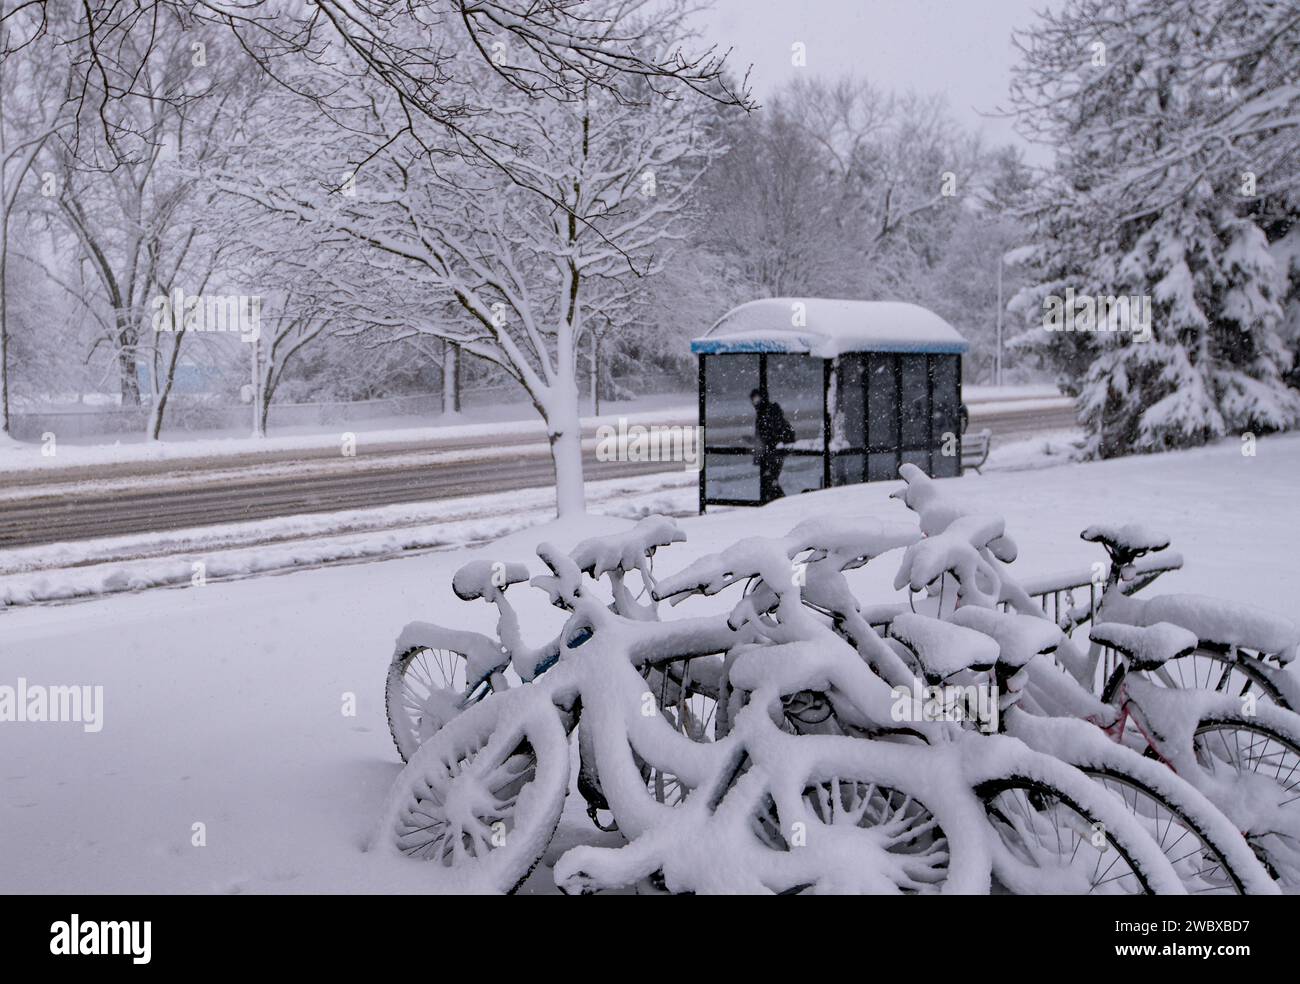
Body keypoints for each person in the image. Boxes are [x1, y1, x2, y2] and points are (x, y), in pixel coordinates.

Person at [750, 388, 794, 502]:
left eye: (756, 399)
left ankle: (781, 504)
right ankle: (779, 503)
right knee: (769, 480)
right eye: (753, 400)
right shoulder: (764, 412)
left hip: (775, 451)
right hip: (773, 451)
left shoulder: (768, 412)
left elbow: (769, 434)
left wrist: (765, 447)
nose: (755, 402)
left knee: (769, 480)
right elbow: (762, 435)